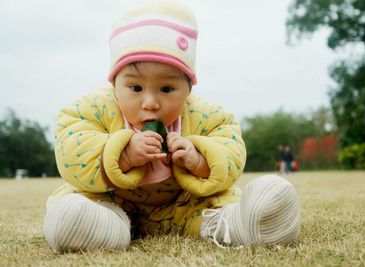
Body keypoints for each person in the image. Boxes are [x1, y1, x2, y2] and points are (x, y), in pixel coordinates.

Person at [43, 0, 300, 252]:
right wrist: (124, 155)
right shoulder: (92, 110)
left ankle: (248, 222)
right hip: (112, 200)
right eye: (135, 88)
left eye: (167, 88)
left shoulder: (207, 116)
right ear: (114, 84)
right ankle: (86, 226)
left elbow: (230, 150)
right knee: (85, 208)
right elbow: (72, 151)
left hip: (182, 205)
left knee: (215, 207)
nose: (151, 103)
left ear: (189, 88)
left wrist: (198, 159)